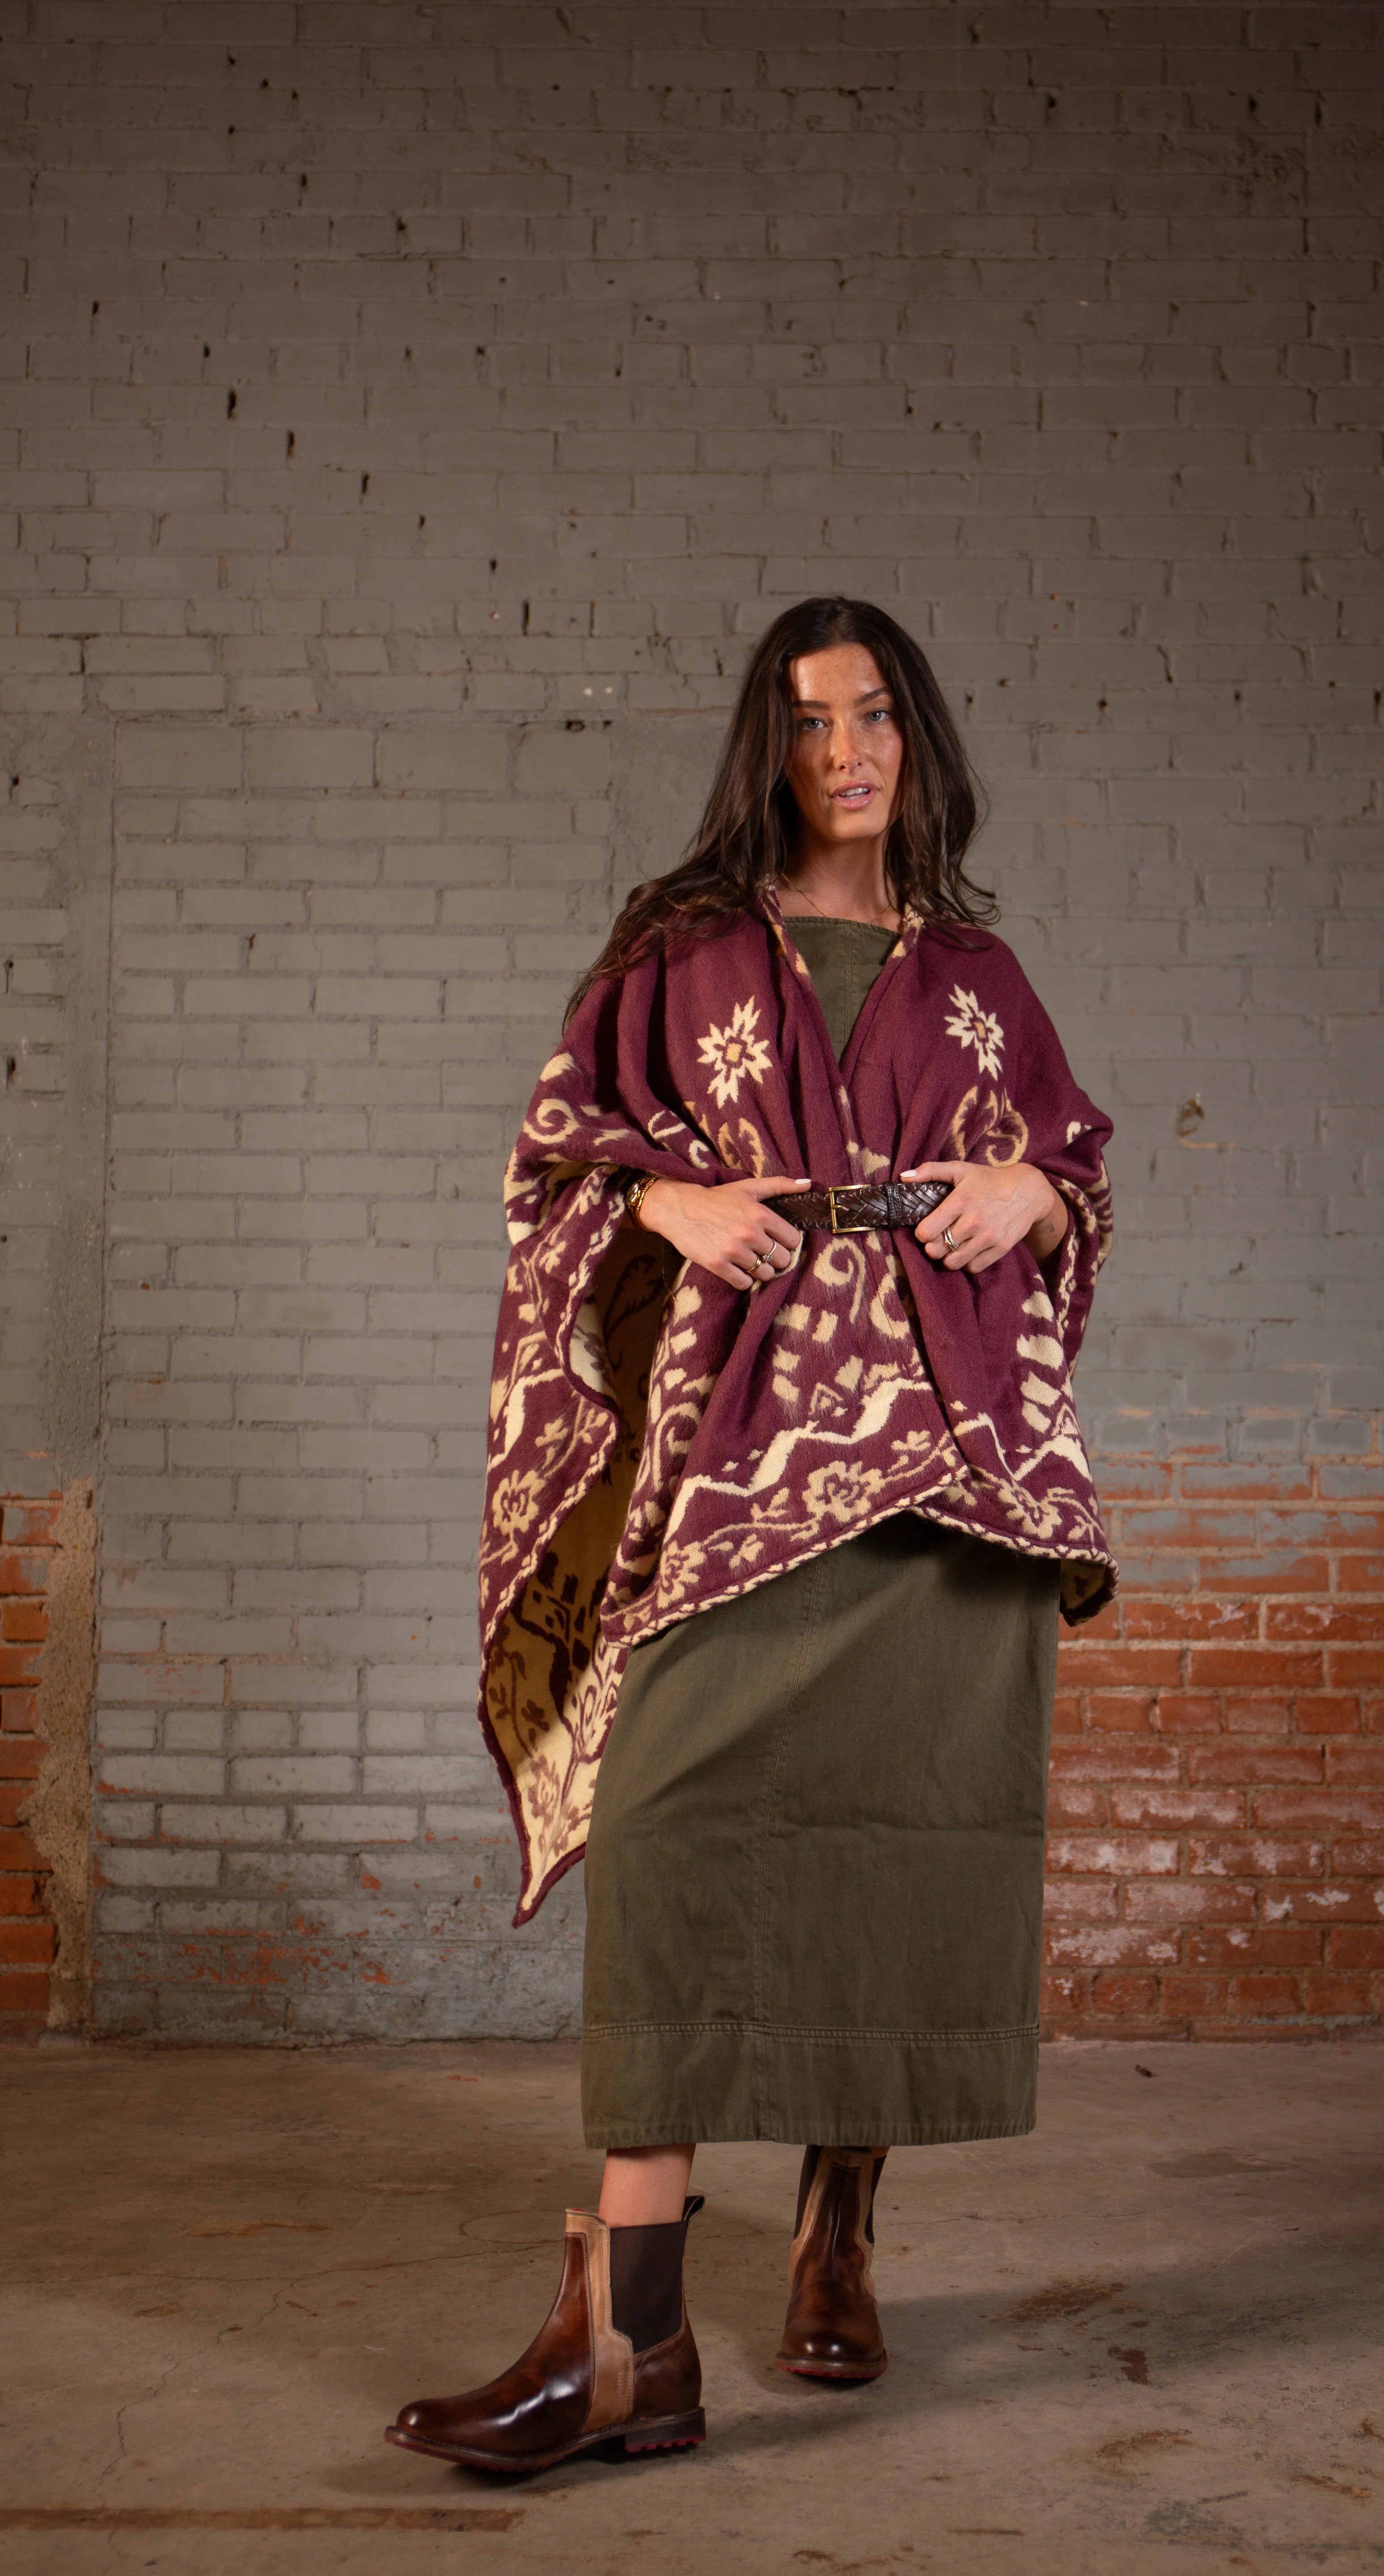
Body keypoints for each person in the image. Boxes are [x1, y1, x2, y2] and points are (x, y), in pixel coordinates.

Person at [386, 597, 1115, 2474]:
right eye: (807, 722)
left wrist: (1031, 1191)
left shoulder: (982, 971)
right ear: (766, 749)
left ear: (915, 737)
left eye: (873, 716)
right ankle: (630, 2338)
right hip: (742, 1467)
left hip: (946, 1483)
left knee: (892, 1848)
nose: (844, 752)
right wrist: (670, 1210)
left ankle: (835, 2231)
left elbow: (1075, 1169)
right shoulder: (682, 947)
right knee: (674, 1841)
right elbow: (560, 1161)